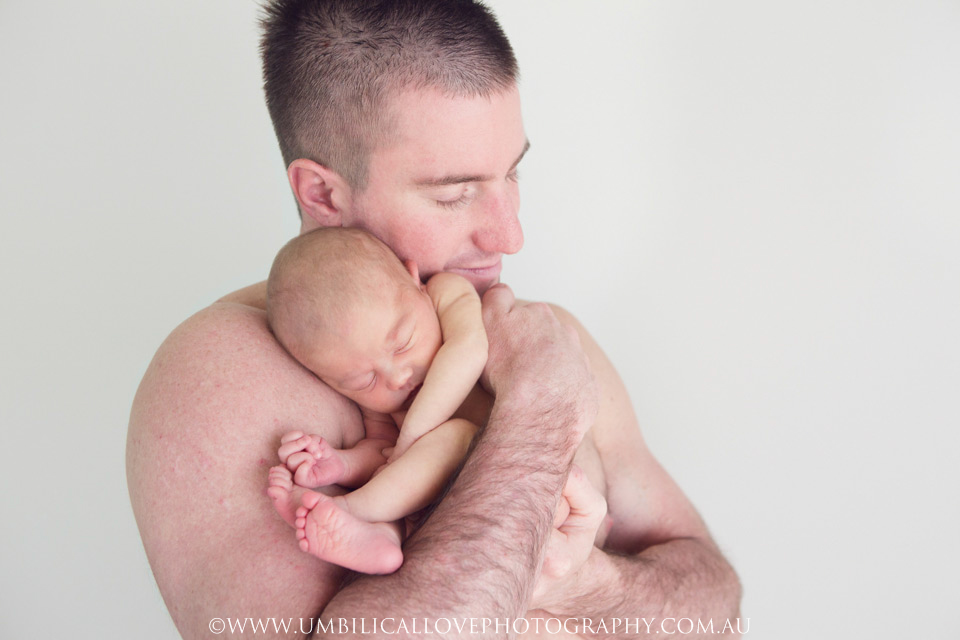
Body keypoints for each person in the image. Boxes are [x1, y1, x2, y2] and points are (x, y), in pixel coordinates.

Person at [126, 1, 741, 637]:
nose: (511, 236)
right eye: (454, 193)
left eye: (512, 173)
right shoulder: (219, 371)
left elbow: (718, 611)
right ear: (322, 193)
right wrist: (538, 415)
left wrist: (584, 584)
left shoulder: (542, 337)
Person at [264, 226, 490, 575]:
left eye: (403, 344)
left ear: (413, 280)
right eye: (364, 380)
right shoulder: (379, 405)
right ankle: (378, 539)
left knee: (460, 435)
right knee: (391, 489)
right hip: (441, 506)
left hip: (503, 463)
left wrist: (412, 434)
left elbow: (469, 349)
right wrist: (341, 464)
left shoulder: (445, 293)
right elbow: (384, 455)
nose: (397, 378)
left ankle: (348, 509)